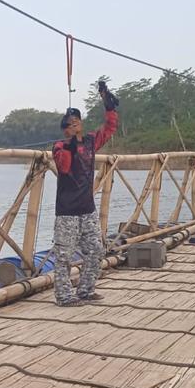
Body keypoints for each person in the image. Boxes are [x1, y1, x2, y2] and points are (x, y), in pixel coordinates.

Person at [51, 81, 119, 307]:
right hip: (67, 212)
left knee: (96, 250)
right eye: (70, 124)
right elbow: (64, 167)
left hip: (87, 209)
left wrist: (109, 106)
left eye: (76, 121)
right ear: (65, 129)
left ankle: (86, 290)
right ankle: (64, 296)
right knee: (63, 256)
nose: (74, 126)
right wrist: (71, 144)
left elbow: (109, 129)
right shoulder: (60, 146)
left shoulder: (90, 141)